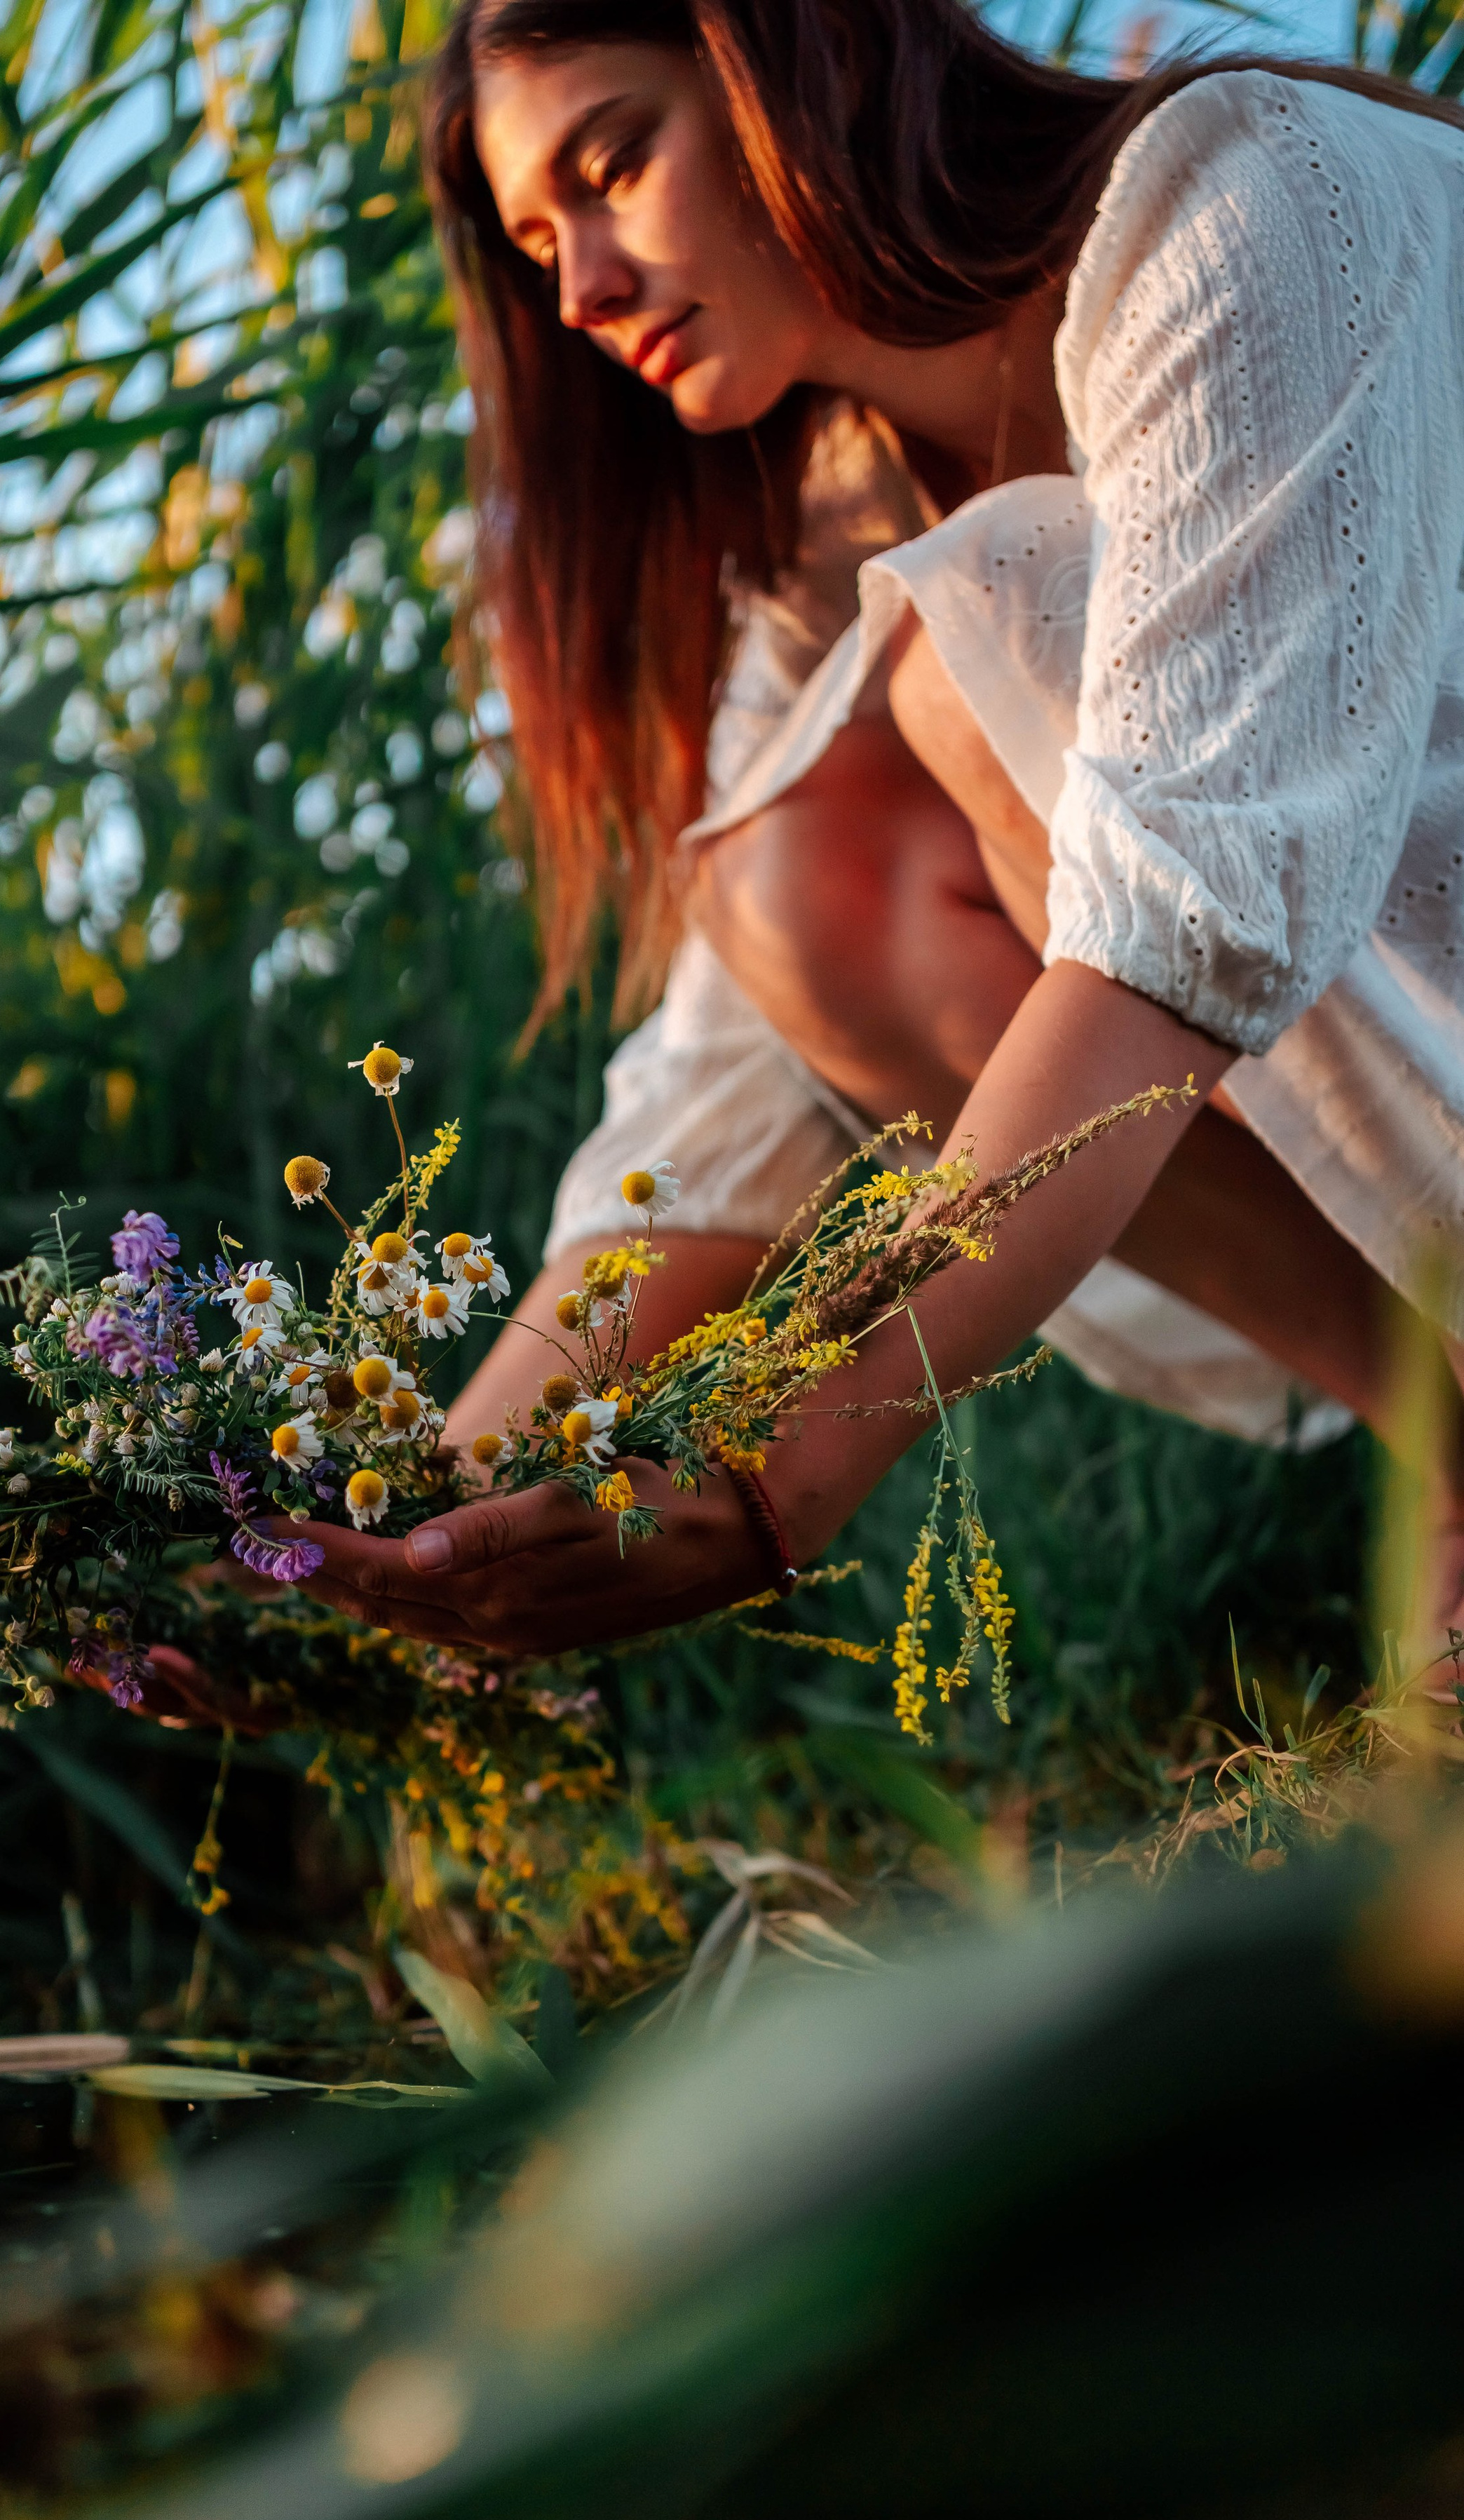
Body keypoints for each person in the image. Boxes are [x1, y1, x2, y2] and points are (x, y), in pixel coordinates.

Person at [273, 0, 1464, 1664]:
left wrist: (784, 1469)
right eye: (539, 241)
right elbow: (726, 1083)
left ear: (797, 57)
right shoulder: (840, 516)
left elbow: (1188, 904)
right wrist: (399, 1547)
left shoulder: (1244, 191)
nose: (581, 290)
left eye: (614, 162)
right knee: (790, 868)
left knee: (957, 650)